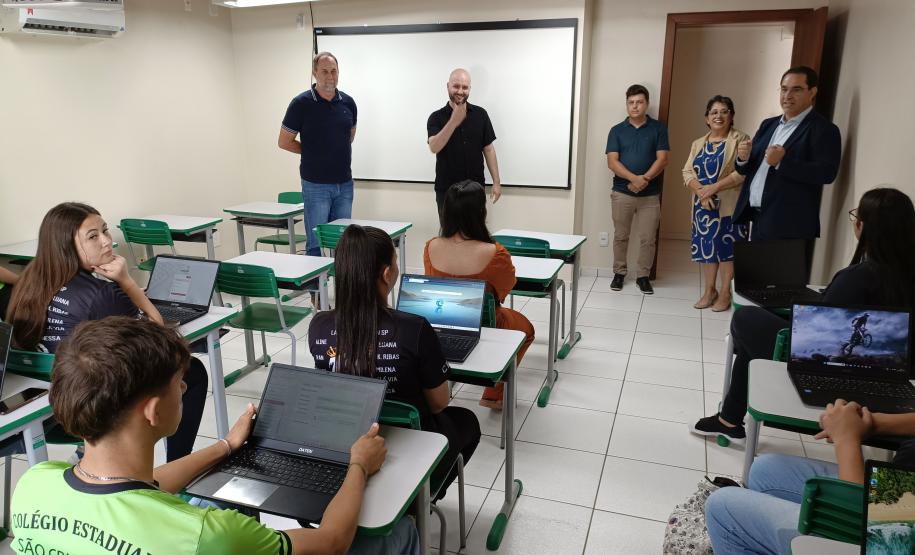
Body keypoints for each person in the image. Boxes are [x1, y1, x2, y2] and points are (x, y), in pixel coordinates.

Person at [11, 316, 419, 555]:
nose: (186, 389)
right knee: (399, 533)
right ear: (152, 411)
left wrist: (226, 446)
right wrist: (358, 465)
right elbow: (332, 542)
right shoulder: (206, 534)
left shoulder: (33, 484)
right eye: (178, 383)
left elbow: (143, 489)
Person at [690, 187, 915, 444]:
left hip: (829, 367)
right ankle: (728, 418)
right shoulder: (904, 275)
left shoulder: (858, 277)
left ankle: (729, 418)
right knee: (755, 333)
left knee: (745, 320)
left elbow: (817, 332)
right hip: (889, 374)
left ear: (862, 227)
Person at [5, 202, 206, 461]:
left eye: (105, 231)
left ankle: (85, 451)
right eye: (93, 237)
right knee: (192, 370)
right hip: (95, 407)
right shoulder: (102, 294)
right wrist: (128, 283)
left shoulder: (26, 283)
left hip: (47, 402)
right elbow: (162, 340)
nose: (107, 242)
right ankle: (179, 465)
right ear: (66, 246)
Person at [308, 224, 480, 499]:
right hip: (410, 442)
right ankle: (426, 497)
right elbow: (438, 403)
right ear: (387, 274)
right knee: (468, 421)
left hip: (348, 442)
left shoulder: (318, 325)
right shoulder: (415, 328)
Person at [705, 399, 915, 554]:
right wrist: (867, 421)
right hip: (895, 486)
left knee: (721, 508)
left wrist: (847, 438)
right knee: (765, 470)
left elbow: (874, 527)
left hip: (891, 528)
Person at [424, 180, 535, 410]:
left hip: (440, 326)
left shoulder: (430, 246)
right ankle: (493, 394)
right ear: (480, 212)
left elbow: (433, 285)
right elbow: (505, 289)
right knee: (526, 329)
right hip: (486, 325)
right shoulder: (495, 253)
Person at [732, 66, 842, 273]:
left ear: (813, 92)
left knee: (780, 287)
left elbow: (827, 173)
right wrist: (742, 158)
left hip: (788, 223)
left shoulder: (824, 129)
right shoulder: (769, 125)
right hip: (758, 217)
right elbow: (748, 168)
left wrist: (783, 162)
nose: (787, 95)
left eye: (796, 89)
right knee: (756, 280)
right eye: (784, 89)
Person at [279, 51, 357, 257]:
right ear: (314, 73)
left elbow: (349, 136)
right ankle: (316, 289)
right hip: (316, 186)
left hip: (345, 186)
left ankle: (342, 287)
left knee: (344, 245)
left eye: (334, 71)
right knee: (315, 244)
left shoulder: (348, 103)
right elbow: (284, 142)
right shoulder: (300, 104)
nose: (330, 76)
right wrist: (314, 151)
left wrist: (327, 149)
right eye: (324, 72)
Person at [682, 95, 751, 311]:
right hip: (704, 207)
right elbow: (687, 171)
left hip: (729, 208)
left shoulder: (741, 139)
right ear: (706, 118)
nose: (718, 116)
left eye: (724, 111)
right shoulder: (698, 143)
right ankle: (709, 290)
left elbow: (741, 174)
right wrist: (703, 193)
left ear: (731, 116)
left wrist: (713, 189)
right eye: (714, 112)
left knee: (727, 251)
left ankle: (725, 292)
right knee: (707, 250)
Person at [606, 84, 670, 295]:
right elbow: (612, 162)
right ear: (627, 105)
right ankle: (619, 273)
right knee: (620, 236)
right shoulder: (616, 130)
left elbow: (663, 159)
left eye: (639, 102)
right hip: (622, 192)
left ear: (647, 104)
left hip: (650, 195)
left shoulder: (658, 129)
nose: (635, 106)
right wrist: (635, 179)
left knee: (648, 238)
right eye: (631, 102)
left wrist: (646, 179)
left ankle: (643, 276)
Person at [427, 68, 502, 217]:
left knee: (475, 236)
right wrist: (453, 121)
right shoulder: (436, 117)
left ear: (469, 89)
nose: (460, 91)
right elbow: (434, 147)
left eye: (465, 87)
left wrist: (496, 182)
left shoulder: (481, 114)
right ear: (447, 86)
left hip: (475, 190)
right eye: (456, 86)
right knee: (449, 237)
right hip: (447, 191)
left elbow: (488, 149)